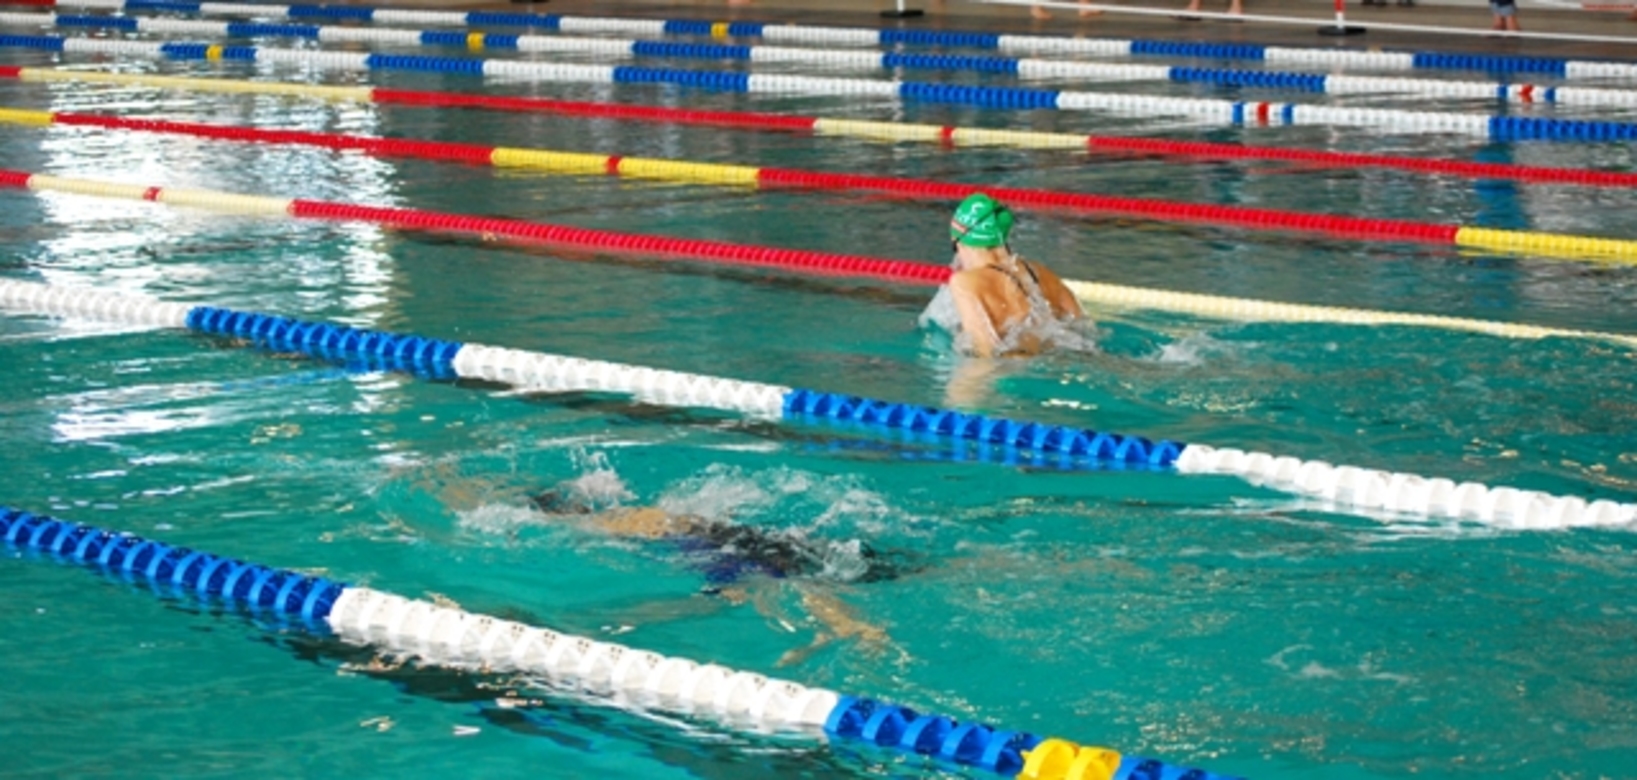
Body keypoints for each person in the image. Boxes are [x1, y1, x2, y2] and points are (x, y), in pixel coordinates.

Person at [529, 489, 911, 665]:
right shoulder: (644, 511)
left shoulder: (611, 523)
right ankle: (845, 624)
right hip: (752, 540)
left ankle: (852, 626)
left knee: (766, 588)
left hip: (733, 554)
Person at [943, 193, 1085, 358]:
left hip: (1009, 370)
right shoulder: (1042, 274)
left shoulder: (964, 283)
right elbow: (1082, 327)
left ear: (960, 241)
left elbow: (983, 350)